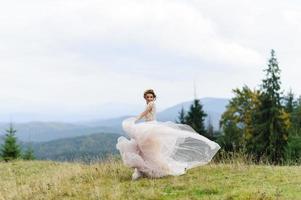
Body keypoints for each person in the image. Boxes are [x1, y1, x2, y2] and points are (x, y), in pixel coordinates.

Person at [116, 89, 221, 180]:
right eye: (147, 97)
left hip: (150, 127)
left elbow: (145, 112)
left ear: (154, 98)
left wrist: (135, 119)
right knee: (147, 149)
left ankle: (151, 170)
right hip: (148, 126)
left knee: (148, 149)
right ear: (145, 98)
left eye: (151, 97)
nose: (149, 98)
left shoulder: (151, 104)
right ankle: (144, 170)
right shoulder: (148, 104)